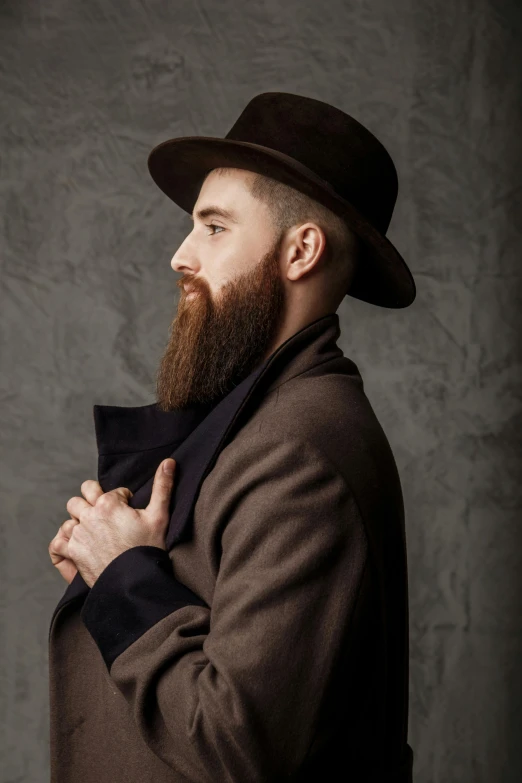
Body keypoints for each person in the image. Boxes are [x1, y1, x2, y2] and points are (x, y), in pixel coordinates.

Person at [48, 92, 416, 782]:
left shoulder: (298, 450)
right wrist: (107, 568)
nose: (180, 256)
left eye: (214, 228)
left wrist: (126, 579)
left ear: (301, 249)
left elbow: (238, 739)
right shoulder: (262, 423)